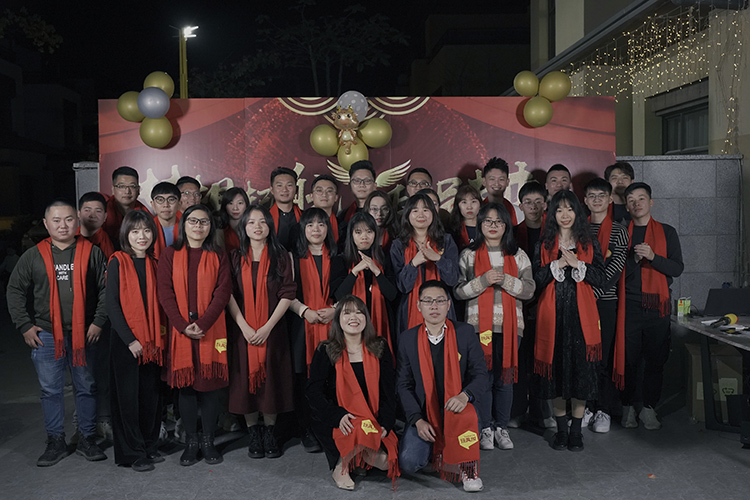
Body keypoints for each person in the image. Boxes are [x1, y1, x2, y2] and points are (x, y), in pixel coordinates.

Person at [7, 200, 108, 466]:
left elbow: (107, 289)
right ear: (46, 223)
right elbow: (14, 290)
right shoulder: (34, 255)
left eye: (68, 219)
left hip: (84, 334)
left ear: (77, 222)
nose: (63, 225)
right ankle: (55, 441)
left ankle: (87, 438)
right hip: (48, 335)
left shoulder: (92, 253)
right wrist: (24, 325)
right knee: (50, 390)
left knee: (86, 387)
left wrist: (98, 321)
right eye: (56, 220)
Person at [454, 203, 535, 452]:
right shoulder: (468, 254)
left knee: (505, 379)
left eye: (498, 222)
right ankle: (485, 428)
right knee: (483, 378)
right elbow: (458, 292)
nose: (493, 226)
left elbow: (529, 290)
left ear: (506, 226)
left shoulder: (518, 255)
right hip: (479, 327)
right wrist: (483, 280)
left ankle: (502, 427)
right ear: (480, 225)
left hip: (511, 327)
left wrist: (506, 280)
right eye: (488, 221)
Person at [157, 204, 232, 466]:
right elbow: (165, 292)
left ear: (210, 227)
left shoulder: (218, 254)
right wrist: (181, 325)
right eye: (193, 221)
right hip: (181, 332)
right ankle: (191, 441)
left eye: (204, 222)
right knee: (186, 389)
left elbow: (223, 292)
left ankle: (208, 441)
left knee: (209, 389)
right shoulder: (170, 254)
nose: (198, 226)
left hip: (210, 330)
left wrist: (204, 323)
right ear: (184, 224)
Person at [396, 280, 488, 492]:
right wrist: (417, 420)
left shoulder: (465, 333)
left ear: (448, 304)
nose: (434, 306)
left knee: (466, 419)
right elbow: (403, 385)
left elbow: (481, 375)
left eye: (439, 300)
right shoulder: (408, 339)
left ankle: (468, 467)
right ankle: (436, 454)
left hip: (459, 409)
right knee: (409, 461)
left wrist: (465, 395)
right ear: (419, 306)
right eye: (428, 301)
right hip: (425, 414)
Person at [532, 190, 605, 452]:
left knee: (580, 377)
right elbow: (535, 281)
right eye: (559, 209)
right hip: (552, 320)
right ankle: (561, 431)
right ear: (552, 213)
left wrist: (578, 264)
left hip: (581, 321)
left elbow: (601, 278)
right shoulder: (544, 244)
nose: (565, 215)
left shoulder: (589, 242)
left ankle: (576, 432)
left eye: (570, 209)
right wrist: (558, 265)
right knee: (556, 376)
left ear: (578, 212)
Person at [307, 296, 399, 490]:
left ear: (366, 318)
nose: (354, 317)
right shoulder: (326, 350)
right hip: (341, 418)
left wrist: (385, 422)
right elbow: (313, 392)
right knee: (356, 428)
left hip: (373, 417)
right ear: (338, 319)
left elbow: (389, 391)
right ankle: (341, 466)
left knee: (385, 463)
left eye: (359, 312)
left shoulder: (380, 347)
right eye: (347, 313)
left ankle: (360, 456)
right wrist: (337, 415)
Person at [226, 205, 296, 459]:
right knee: (245, 381)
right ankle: (253, 433)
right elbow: (228, 294)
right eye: (251, 222)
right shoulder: (234, 257)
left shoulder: (281, 256)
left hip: (273, 330)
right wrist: (244, 326)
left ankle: (269, 433)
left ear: (270, 226)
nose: (257, 226)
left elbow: (288, 293)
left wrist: (267, 327)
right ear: (244, 227)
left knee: (271, 381)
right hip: (242, 331)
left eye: (262, 222)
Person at [621, 182, 683, 430]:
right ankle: (627, 407)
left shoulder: (667, 232)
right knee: (628, 361)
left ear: (651, 202)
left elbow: (676, 268)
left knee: (656, 360)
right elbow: (613, 274)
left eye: (641, 198)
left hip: (658, 306)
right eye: (631, 200)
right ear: (626, 206)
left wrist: (653, 257)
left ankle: (648, 408)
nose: (637, 203)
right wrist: (634, 259)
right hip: (629, 305)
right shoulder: (621, 233)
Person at [106, 211, 165, 472]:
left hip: (152, 342)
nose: (142, 236)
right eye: (135, 231)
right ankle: (132, 452)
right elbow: (112, 305)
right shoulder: (117, 262)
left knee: (150, 396)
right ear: (126, 234)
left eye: (147, 230)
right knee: (127, 399)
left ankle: (149, 445)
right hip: (125, 342)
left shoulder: (155, 263)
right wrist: (130, 340)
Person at [288, 208, 344, 453]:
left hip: (334, 324)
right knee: (304, 379)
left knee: (333, 376)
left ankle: (331, 427)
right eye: (310, 225)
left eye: (321, 224)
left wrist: (334, 310)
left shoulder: (339, 257)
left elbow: (348, 290)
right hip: (302, 325)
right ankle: (307, 429)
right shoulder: (293, 258)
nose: (316, 229)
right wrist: (305, 311)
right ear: (303, 229)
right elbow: (285, 292)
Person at [582, 178, 629, 433]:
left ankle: (604, 409)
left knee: (604, 357)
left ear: (610, 199)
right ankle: (586, 406)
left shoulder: (619, 231)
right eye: (592, 195)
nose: (597, 200)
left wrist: (593, 294)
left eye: (602, 195)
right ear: (585, 200)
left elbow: (615, 269)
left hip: (605, 303)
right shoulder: (579, 228)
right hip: (581, 302)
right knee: (585, 356)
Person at [510, 180, 551, 429]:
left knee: (542, 359)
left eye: (538, 202)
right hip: (518, 305)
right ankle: (516, 411)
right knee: (519, 359)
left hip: (547, 303)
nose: (533, 207)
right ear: (520, 205)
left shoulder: (553, 234)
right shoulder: (513, 234)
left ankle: (541, 411)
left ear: (545, 204)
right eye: (528, 202)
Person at [390, 193, 459, 335]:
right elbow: (402, 286)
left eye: (426, 210)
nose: (421, 215)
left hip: (442, 307)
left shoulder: (446, 241)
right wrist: (413, 263)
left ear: (433, 213)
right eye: (415, 210)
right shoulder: (398, 245)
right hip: (410, 309)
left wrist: (438, 259)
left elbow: (452, 279)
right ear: (407, 215)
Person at [334, 212, 398, 351]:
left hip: (380, 321)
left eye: (369, 231)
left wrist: (377, 271)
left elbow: (392, 295)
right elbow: (339, 296)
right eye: (358, 232)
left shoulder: (383, 258)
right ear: (351, 234)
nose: (364, 236)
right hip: (351, 324)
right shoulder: (341, 260)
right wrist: (355, 271)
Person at [102, 166, 149, 247]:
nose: (127, 191)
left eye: (132, 186)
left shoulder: (146, 214)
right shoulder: (102, 212)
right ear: (113, 189)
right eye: (121, 186)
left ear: (138, 190)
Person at [268, 167, 301, 250]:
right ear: (272, 190)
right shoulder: (265, 218)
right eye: (279, 185)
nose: (284, 190)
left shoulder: (305, 217)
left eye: (289, 185)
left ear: (296, 189)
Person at [482, 157, 520, 224]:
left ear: (507, 182)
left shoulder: (518, 212)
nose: (496, 184)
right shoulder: (477, 210)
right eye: (492, 179)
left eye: (501, 179)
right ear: (484, 181)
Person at [77, 192, 114, 259]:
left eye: (98, 211)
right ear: (79, 214)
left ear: (105, 216)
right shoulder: (69, 239)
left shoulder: (112, 243)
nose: (92, 215)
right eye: (87, 210)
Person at [150, 182, 182, 259]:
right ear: (153, 205)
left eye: (171, 200)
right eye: (160, 200)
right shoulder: (146, 230)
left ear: (179, 204)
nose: (166, 205)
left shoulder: (188, 228)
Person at [450, 184, 482, 252]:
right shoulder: (452, 229)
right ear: (458, 206)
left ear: (480, 205)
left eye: (473, 201)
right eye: (464, 202)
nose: (469, 207)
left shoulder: (487, 226)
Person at [363, 191, 397, 255]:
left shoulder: (396, 236)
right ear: (367, 210)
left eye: (384, 209)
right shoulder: (360, 237)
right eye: (374, 209)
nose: (379, 214)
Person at [216, 187, 249, 255]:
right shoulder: (219, 231)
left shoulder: (253, 227)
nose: (235, 208)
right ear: (225, 205)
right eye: (230, 203)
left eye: (240, 203)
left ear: (246, 204)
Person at [310, 174, 341, 243]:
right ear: (311, 196)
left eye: (329, 191)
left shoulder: (343, 227)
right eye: (319, 190)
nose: (324, 195)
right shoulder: (302, 224)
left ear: (336, 197)